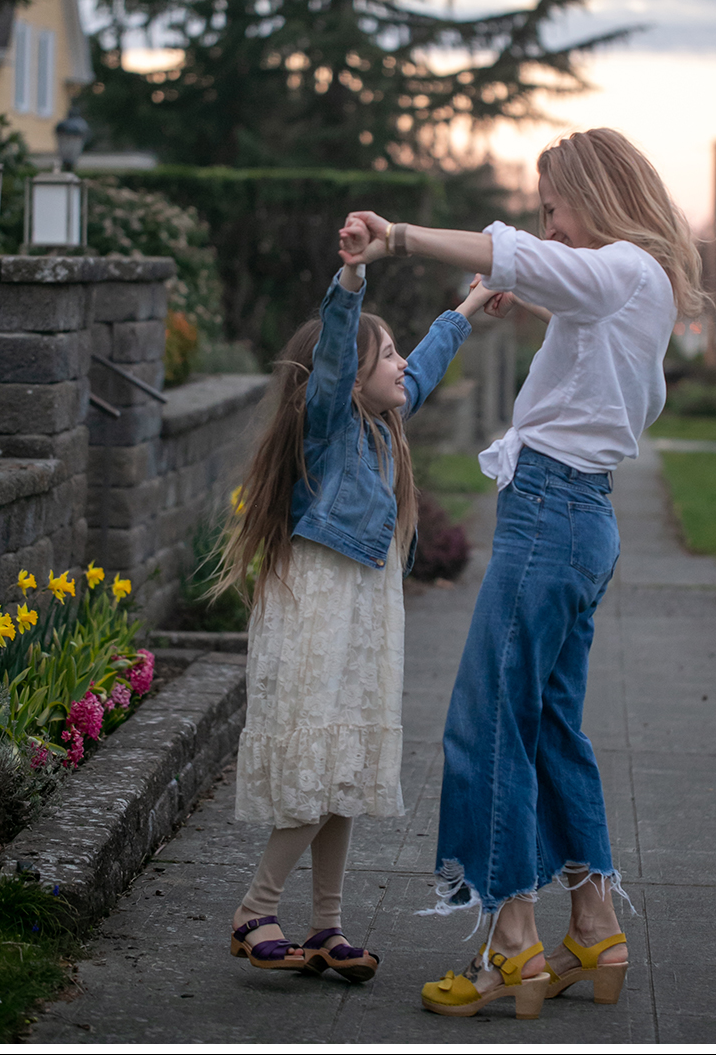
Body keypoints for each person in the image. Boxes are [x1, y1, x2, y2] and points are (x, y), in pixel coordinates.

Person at [338, 127, 706, 1020]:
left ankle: (511, 946)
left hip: (549, 515)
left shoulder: (618, 266)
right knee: (545, 726)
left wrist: (400, 237)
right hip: (584, 518)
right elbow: (568, 306)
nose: (547, 225)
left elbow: (527, 254)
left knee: (486, 726)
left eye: (553, 207)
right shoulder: (640, 287)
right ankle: (593, 924)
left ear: (595, 194)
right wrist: (511, 292)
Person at [216, 251, 497, 984]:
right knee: (322, 762)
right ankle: (256, 906)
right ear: (351, 375)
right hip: (318, 607)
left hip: (365, 610)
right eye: (390, 353)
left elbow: (426, 366)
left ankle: (328, 923)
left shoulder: (383, 426)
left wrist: (470, 306)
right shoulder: (331, 425)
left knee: (343, 765)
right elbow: (338, 354)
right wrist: (349, 283)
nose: (403, 364)